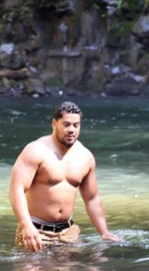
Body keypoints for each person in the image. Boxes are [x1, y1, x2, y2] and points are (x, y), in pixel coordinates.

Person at [9, 101, 122, 251]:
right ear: (54, 124)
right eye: (66, 124)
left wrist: (104, 232)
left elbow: (92, 198)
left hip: (69, 233)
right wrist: (26, 226)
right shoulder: (35, 151)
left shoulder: (85, 157)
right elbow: (16, 191)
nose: (71, 130)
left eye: (76, 125)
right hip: (37, 231)